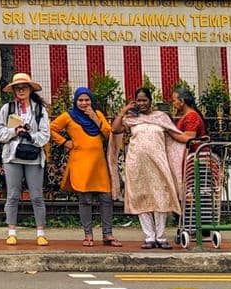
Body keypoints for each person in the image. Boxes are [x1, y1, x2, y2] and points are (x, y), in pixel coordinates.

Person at [111, 87, 192, 250]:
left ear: (150, 101)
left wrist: (190, 139)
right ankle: (149, 236)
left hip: (158, 164)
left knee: (161, 198)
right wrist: (123, 111)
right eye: (138, 100)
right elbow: (115, 129)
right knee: (142, 198)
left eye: (144, 100)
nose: (142, 103)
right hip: (137, 165)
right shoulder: (131, 119)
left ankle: (161, 237)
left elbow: (175, 135)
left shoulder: (161, 117)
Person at [50, 87, 118, 248]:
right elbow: (51, 128)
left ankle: (108, 234)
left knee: (106, 199)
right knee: (85, 200)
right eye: (80, 100)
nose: (84, 103)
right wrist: (64, 142)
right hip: (80, 163)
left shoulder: (98, 114)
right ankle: (88, 235)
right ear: (75, 101)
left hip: (99, 165)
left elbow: (109, 134)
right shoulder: (68, 116)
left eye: (87, 100)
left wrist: (95, 117)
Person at [0, 72, 50, 247]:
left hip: (33, 156)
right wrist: (14, 132)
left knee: (37, 196)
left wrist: (30, 135)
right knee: (13, 195)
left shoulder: (40, 110)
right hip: (12, 156)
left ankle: (40, 232)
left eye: (24, 87)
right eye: (17, 88)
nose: (21, 90)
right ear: (14, 90)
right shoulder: (7, 109)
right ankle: (11, 231)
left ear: (30, 89)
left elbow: (45, 134)